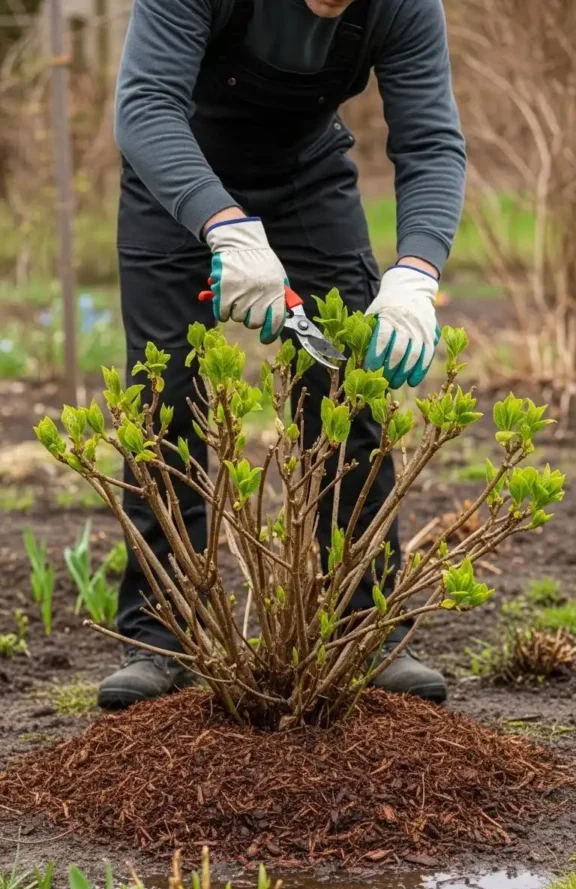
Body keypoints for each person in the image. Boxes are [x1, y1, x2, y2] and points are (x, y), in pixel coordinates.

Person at [98, 0, 466, 711]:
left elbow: (430, 144)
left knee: (345, 384)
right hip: (175, 180)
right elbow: (144, 107)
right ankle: (163, 633)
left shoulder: (405, 7)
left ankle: (365, 627)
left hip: (304, 179)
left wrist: (418, 272)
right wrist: (227, 228)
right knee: (164, 395)